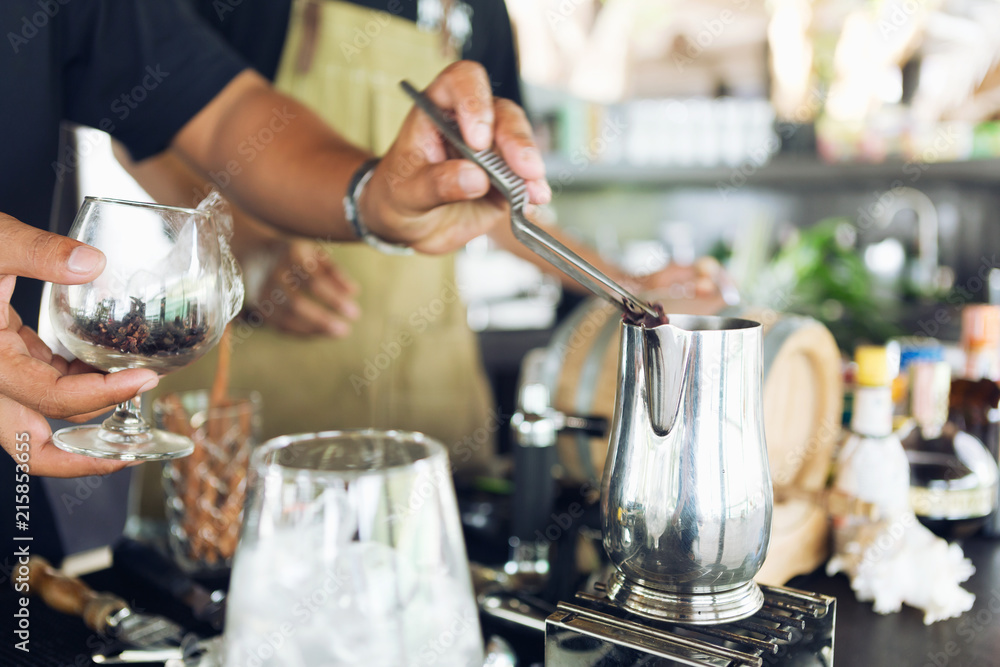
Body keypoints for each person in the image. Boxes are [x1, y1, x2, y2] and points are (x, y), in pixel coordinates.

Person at [111, 0, 725, 479]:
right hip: (266, 391)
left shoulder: (480, 13)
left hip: (430, 391)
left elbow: (493, 198)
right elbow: (146, 117)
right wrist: (245, 248)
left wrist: (624, 283)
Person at [0, 0, 549, 478]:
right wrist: (250, 250)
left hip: (15, 424)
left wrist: (372, 196)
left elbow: (208, 108)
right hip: (261, 373)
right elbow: (148, 142)